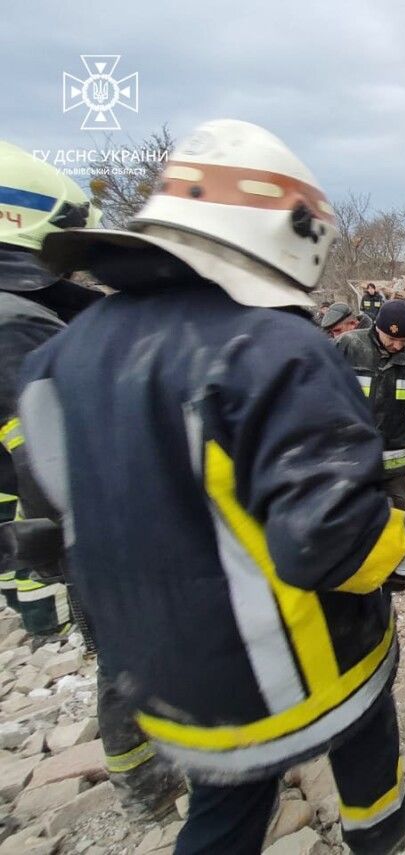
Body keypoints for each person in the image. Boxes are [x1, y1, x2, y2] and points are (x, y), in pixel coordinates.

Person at [18, 119, 405, 855]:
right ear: (291, 236)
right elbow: (337, 541)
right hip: (298, 668)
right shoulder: (277, 351)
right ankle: (381, 826)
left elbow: (56, 522)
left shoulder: (60, 358)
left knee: (225, 813)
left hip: (164, 671)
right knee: (365, 716)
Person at [0, 142, 186, 820]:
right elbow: (52, 465)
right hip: (98, 532)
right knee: (125, 653)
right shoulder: (15, 324)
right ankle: (146, 783)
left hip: (94, 525)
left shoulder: (35, 314)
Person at [335, 300, 405, 512]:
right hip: (350, 456)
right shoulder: (348, 346)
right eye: (392, 338)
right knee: (351, 515)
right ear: (378, 328)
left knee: (398, 516)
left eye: (404, 340)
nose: (398, 346)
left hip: (394, 459)